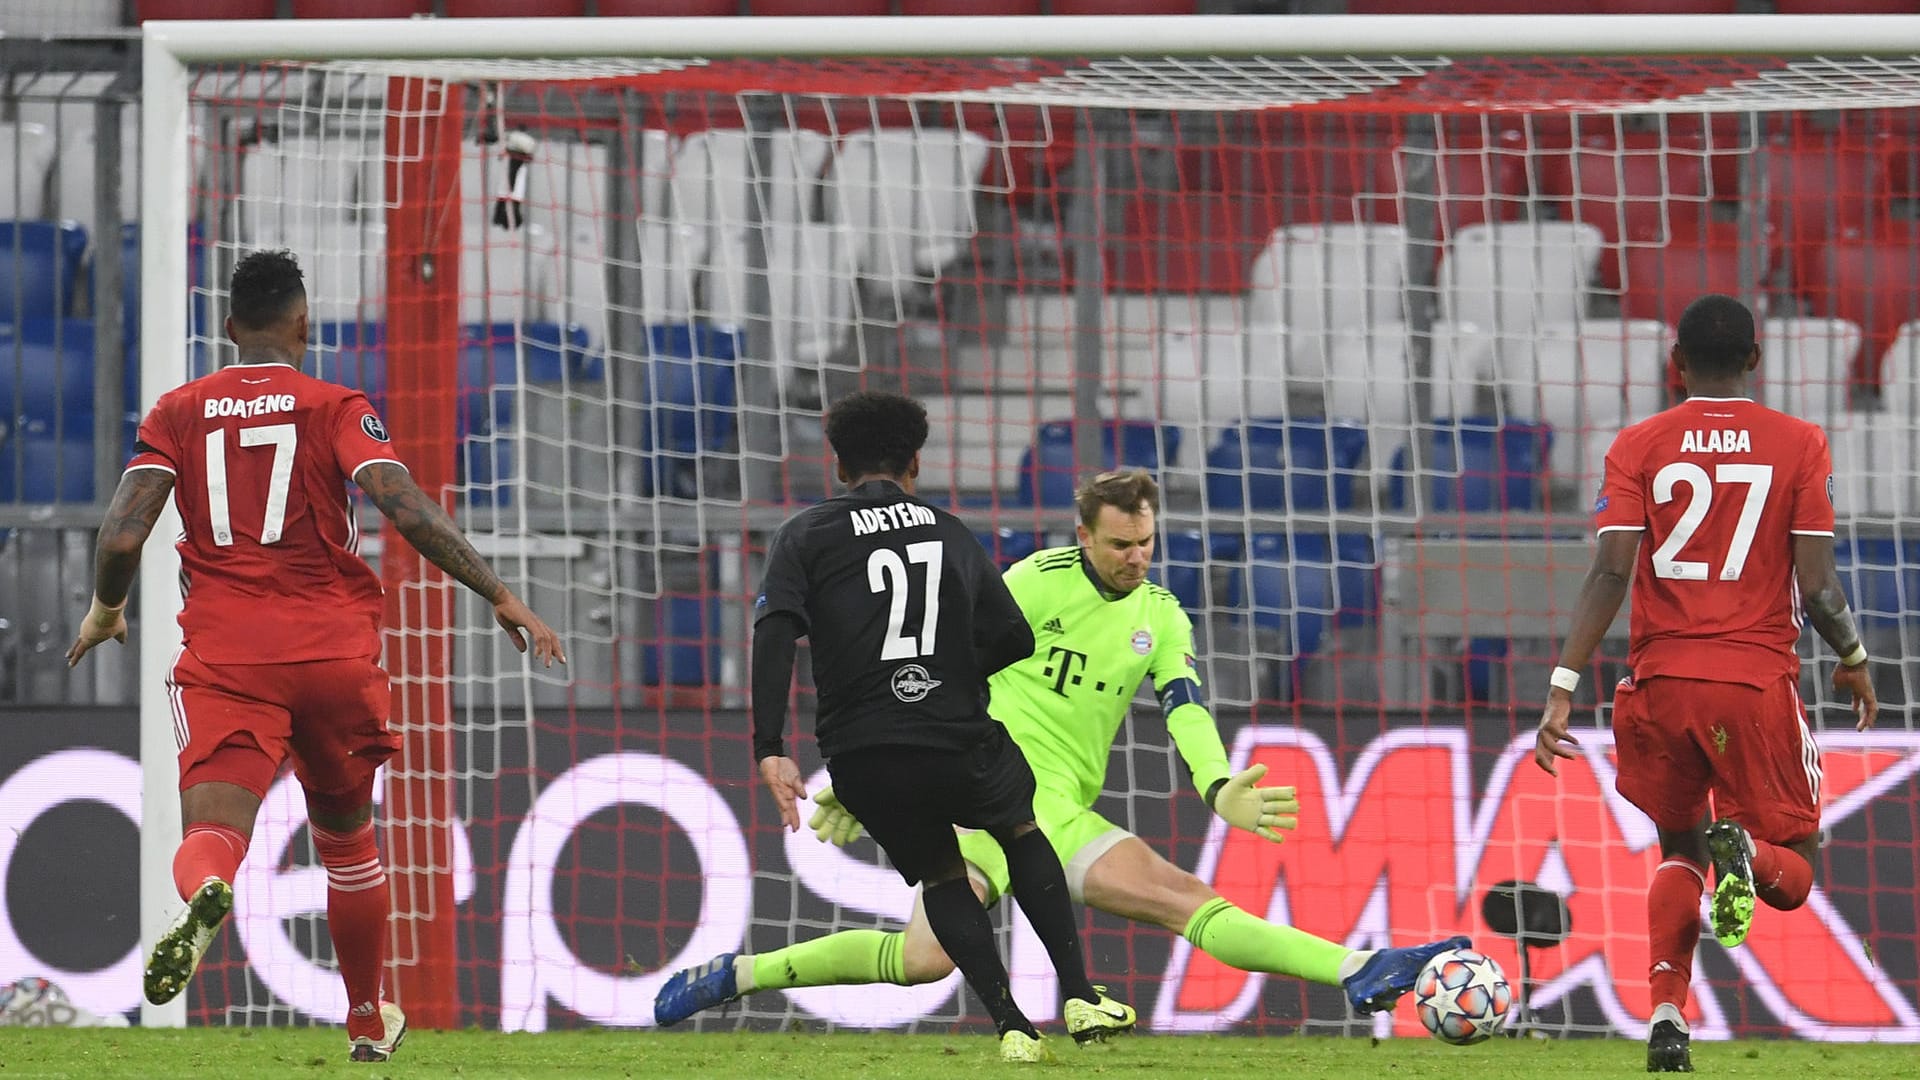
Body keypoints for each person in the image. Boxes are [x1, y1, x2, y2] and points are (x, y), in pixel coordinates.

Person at [657, 468, 1469, 1033]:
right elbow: (928, 662)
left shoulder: (1163, 616)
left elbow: (1183, 707)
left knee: (951, 954)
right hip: (988, 788)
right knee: (953, 954)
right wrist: (860, 775)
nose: (1137, 557)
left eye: (1147, 542)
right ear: (1085, 535)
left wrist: (1218, 784)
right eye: (1121, 544)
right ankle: (1356, 967)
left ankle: (1358, 969)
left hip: (1058, 808)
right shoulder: (1029, 581)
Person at [66, 250, 566, 1062]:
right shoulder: (335, 402)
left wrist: (106, 610)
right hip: (333, 652)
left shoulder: (178, 410)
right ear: (305, 324)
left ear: (228, 330)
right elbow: (403, 509)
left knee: (214, 832)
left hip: (230, 657)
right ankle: (367, 1021)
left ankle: (210, 892)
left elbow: (124, 532)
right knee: (347, 841)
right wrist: (498, 593)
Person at [662, 391, 1132, 1062]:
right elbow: (1013, 637)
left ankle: (1012, 1027)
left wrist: (771, 748)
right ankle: (1080, 993)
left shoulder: (805, 534)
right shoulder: (947, 531)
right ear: (915, 462)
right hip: (955, 732)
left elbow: (774, 635)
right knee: (1021, 830)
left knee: (942, 877)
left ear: (839, 466)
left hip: (861, 750)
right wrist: (951, 676)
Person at [1533, 293, 1878, 1073]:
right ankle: (1751, 857)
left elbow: (1610, 570)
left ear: (1674, 366)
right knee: (1793, 870)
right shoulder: (1798, 443)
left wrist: (1562, 683)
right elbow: (1819, 588)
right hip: (1752, 686)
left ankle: (1665, 1017)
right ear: (1755, 361)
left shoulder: (1639, 443)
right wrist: (1854, 659)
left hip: (1659, 686)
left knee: (1677, 849)